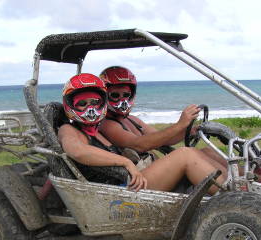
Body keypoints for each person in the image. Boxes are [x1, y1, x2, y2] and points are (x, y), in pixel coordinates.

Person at [58, 73, 227, 194]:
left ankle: (242, 184)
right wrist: (125, 162)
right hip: (119, 192)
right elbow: (77, 151)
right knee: (185, 155)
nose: (91, 109)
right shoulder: (70, 130)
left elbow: (162, 139)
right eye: (82, 104)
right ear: (70, 105)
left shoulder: (99, 128)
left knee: (203, 152)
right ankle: (230, 195)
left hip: (134, 180)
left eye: (95, 102)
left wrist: (192, 130)